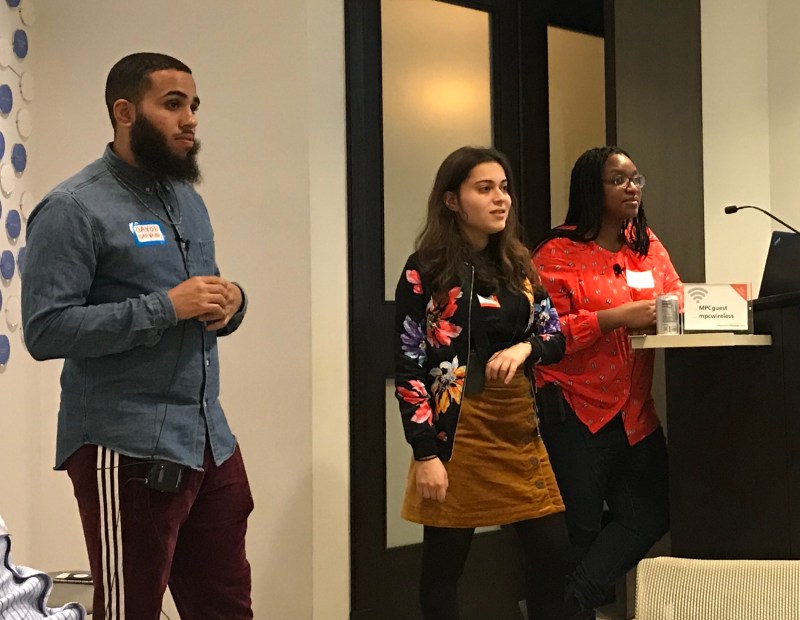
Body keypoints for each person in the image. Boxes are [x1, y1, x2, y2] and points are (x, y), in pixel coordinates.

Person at [21, 53, 253, 619]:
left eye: (193, 105)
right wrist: (165, 308)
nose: (190, 119)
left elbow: (200, 301)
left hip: (208, 440)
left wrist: (233, 302)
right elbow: (46, 330)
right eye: (172, 105)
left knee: (227, 608)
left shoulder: (187, 201)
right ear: (125, 112)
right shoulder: (73, 208)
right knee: (130, 611)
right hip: (125, 445)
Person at [394, 146, 571, 619]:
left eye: (504, 188)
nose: (501, 200)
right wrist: (425, 452)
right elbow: (409, 366)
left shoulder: (520, 264)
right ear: (452, 201)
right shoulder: (425, 268)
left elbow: (555, 335)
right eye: (485, 188)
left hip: (516, 431)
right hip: (456, 437)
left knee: (553, 553)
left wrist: (524, 348)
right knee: (443, 568)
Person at [533, 146, 682, 619]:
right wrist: (616, 317)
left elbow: (675, 296)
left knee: (651, 514)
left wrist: (675, 310)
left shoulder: (648, 245)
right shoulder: (557, 254)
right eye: (618, 180)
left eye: (636, 179)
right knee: (579, 529)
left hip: (635, 412)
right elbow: (548, 334)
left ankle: (573, 598)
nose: (632, 188)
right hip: (577, 409)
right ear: (590, 190)